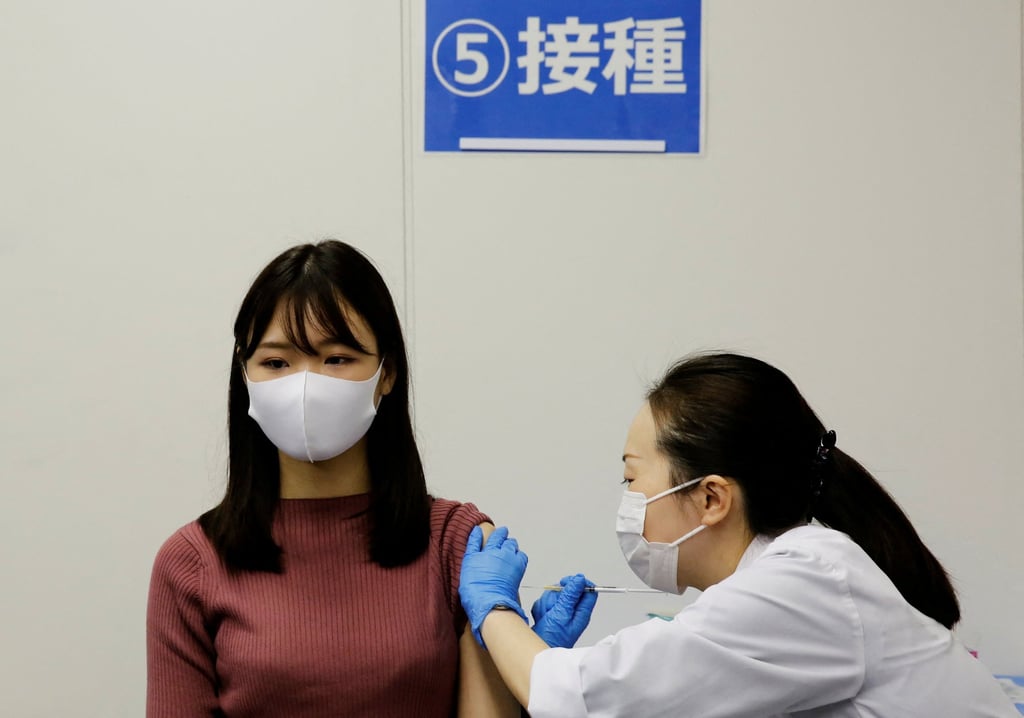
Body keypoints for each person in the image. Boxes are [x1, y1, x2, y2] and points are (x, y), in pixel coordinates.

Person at [459, 352, 1018, 717]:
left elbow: (577, 697)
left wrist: (495, 610)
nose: (627, 502)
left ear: (711, 498)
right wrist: (539, 656)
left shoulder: (804, 579)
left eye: (632, 478)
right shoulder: (792, 577)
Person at [147, 240, 518, 717]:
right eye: (276, 363)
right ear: (245, 374)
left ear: (387, 373)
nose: (305, 385)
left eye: (337, 358)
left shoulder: (459, 546)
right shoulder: (191, 564)